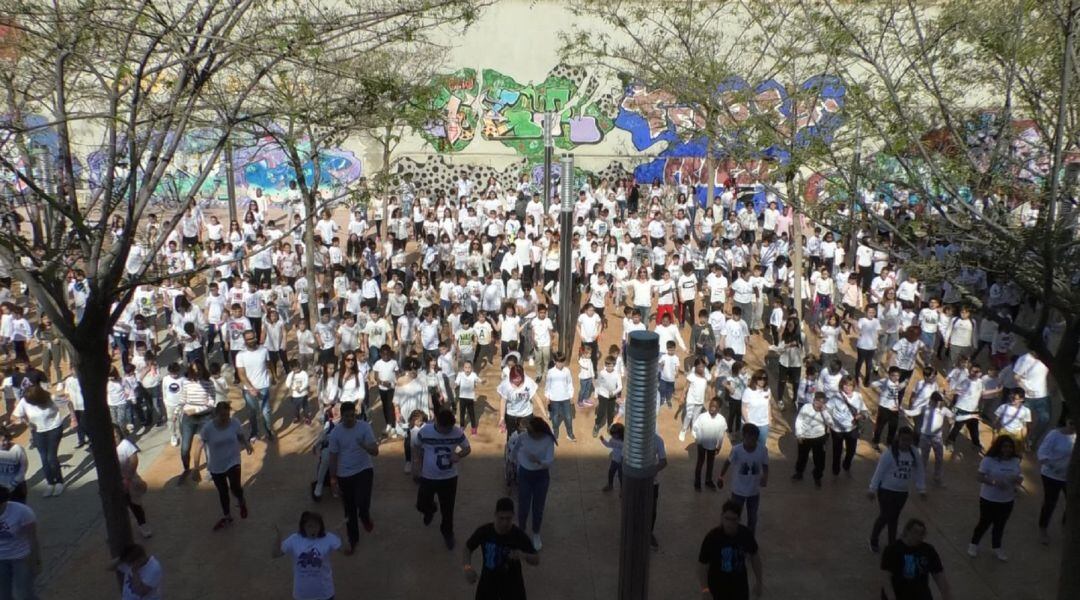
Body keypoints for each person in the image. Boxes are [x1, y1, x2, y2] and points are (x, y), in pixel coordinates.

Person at [413, 408, 472, 550]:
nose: (447, 432)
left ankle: (447, 533)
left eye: (449, 429)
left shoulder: (457, 432)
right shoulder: (425, 431)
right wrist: (417, 463)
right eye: (444, 429)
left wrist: (458, 455)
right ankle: (430, 510)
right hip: (428, 476)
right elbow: (416, 446)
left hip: (449, 477)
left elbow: (467, 448)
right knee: (421, 504)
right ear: (437, 422)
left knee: (448, 509)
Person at [462, 497, 540, 600]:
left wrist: (524, 555)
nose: (504, 523)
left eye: (508, 518)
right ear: (495, 514)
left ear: (513, 516)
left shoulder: (518, 535)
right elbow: (467, 548)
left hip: (512, 584)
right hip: (488, 582)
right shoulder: (484, 531)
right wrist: (467, 568)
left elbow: (536, 559)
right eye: (501, 518)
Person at [193, 401, 254, 531]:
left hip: (233, 460)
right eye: (222, 415)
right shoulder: (208, 428)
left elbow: (240, 436)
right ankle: (227, 516)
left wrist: (246, 444)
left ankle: (241, 500)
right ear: (216, 414)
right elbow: (198, 446)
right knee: (223, 492)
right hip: (216, 465)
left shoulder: (234, 423)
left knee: (235, 486)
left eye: (227, 415)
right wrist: (196, 468)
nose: (225, 418)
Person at [327, 402, 378, 554]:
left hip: (364, 470)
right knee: (349, 510)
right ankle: (353, 539)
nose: (350, 419)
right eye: (346, 416)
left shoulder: (364, 427)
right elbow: (333, 457)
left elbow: (375, 451)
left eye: (352, 415)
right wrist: (333, 480)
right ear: (341, 417)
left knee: (362, 502)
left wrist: (365, 446)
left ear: (355, 414)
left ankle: (365, 516)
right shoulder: (335, 433)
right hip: (344, 475)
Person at [868, 427, 926, 553]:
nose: (906, 443)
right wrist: (872, 488)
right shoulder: (889, 454)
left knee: (894, 517)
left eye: (909, 440)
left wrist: (921, 488)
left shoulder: (914, 453)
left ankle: (892, 544)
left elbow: (919, 470)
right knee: (885, 516)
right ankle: (874, 539)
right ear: (898, 439)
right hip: (886, 490)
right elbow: (879, 471)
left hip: (902, 492)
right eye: (903, 440)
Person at [967, 435, 1022, 561]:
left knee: (1000, 525)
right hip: (989, 499)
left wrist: (1018, 480)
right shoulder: (988, 460)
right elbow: (979, 477)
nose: (1007, 449)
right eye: (1005, 447)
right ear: (999, 447)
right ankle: (973, 544)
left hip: (1007, 500)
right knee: (984, 523)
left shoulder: (1015, 460)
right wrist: (994, 482)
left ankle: (997, 547)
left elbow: (1018, 475)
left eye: (1010, 447)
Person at [697, 500, 764, 600]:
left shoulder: (745, 534)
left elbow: (755, 556)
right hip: (717, 589)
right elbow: (702, 565)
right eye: (727, 518)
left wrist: (759, 581)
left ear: (739, 519)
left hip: (739, 589)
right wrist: (705, 590)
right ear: (721, 517)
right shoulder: (712, 538)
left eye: (734, 519)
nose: (729, 523)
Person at [10, 383, 68, 497]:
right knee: (44, 458)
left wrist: (74, 418)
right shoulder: (25, 401)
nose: (30, 403)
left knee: (51, 457)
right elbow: (14, 416)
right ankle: (50, 483)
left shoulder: (51, 398)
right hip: (37, 432)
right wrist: (26, 422)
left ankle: (59, 482)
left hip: (54, 429)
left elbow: (67, 403)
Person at [272, 511, 341, 600]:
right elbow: (275, 554)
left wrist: (340, 534)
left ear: (321, 527)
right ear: (303, 527)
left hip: (325, 593)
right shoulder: (294, 539)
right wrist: (279, 536)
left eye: (316, 526)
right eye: (309, 526)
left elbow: (347, 551)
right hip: (302, 595)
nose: (313, 529)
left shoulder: (328, 538)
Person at [881, 519, 953, 600]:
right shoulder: (892, 550)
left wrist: (947, 596)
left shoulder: (928, 550)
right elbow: (886, 578)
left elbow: (939, 576)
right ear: (906, 531)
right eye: (915, 532)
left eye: (922, 534)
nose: (918, 537)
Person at [719, 423, 769, 534]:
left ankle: (749, 539)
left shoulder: (763, 450)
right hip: (738, 491)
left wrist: (765, 477)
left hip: (754, 491)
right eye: (748, 438)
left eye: (753, 439)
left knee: (752, 518)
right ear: (744, 437)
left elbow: (765, 464)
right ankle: (733, 536)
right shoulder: (737, 450)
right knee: (734, 516)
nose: (750, 442)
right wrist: (721, 476)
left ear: (757, 438)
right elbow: (727, 462)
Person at [515, 416, 555, 550]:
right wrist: (512, 463)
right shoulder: (523, 437)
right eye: (528, 430)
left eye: (531, 431)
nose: (529, 433)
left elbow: (549, 461)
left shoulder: (548, 440)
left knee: (538, 507)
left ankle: (536, 533)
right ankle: (521, 531)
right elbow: (515, 450)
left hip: (541, 476)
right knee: (523, 506)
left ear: (539, 432)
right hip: (525, 475)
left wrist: (538, 461)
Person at [1037, 416, 1075, 543]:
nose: (1073, 426)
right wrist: (1053, 466)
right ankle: (1043, 528)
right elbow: (1042, 453)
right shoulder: (1055, 435)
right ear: (1067, 421)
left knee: (1073, 501)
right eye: (1072, 423)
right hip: (1051, 475)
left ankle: (1066, 527)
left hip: (1070, 476)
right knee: (1051, 502)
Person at [236, 329, 277, 442]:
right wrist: (251, 388)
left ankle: (268, 431)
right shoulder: (240, 355)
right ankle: (254, 433)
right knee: (252, 412)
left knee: (266, 411)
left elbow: (269, 364)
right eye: (248, 339)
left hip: (263, 386)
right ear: (244, 340)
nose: (251, 341)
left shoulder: (264, 350)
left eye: (253, 338)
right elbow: (241, 374)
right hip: (248, 390)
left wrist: (273, 376)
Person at [0, 485, 40, 599]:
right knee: (3, 595)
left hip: (21, 557)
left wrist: (36, 561)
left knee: (24, 594)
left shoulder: (22, 512)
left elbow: (32, 538)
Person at [114, 425, 152, 538]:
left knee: (135, 504)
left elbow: (134, 460)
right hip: (115, 481)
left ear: (120, 435)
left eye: (116, 436)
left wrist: (128, 478)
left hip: (130, 479)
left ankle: (142, 524)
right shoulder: (106, 449)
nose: (114, 438)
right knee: (118, 507)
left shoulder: (125, 444)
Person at [793, 392, 834, 487]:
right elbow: (799, 420)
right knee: (802, 457)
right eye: (817, 401)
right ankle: (799, 472)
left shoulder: (826, 410)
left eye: (821, 402)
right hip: (805, 436)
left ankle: (817, 476)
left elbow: (830, 423)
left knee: (820, 459)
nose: (818, 404)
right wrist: (799, 434)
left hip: (819, 437)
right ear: (814, 400)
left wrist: (823, 412)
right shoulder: (806, 407)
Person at [692, 399, 728, 491]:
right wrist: (698, 439)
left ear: (719, 409)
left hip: (712, 445)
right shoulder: (702, 417)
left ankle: (708, 481)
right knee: (700, 462)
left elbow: (721, 434)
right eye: (711, 406)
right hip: (701, 444)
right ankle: (697, 482)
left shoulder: (721, 420)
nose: (712, 408)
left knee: (710, 463)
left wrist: (719, 445)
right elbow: (695, 429)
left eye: (715, 407)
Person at [0, 428, 27, 503]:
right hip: (2, 489)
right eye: (1, 441)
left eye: (5, 440)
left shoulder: (17, 449)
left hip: (17, 487)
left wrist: (14, 483)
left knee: (19, 506)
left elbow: (23, 468)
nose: (4, 443)